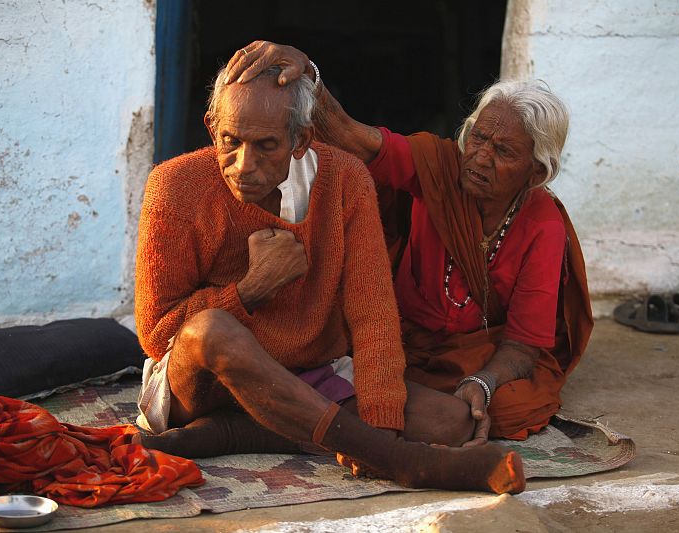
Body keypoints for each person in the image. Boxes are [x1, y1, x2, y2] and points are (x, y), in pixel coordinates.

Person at [132, 60, 526, 493]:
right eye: (231, 141)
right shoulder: (173, 185)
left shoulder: (344, 179)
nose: (244, 164)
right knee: (211, 329)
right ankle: (400, 461)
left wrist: (383, 422)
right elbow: (157, 334)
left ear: (300, 139)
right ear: (212, 128)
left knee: (450, 421)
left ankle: (232, 433)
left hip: (309, 374)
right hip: (205, 385)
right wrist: (249, 290)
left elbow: (372, 314)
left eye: (266, 145)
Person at [224, 41, 594, 443]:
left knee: (508, 409)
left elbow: (523, 346)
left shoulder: (543, 225)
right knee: (344, 361)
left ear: (536, 171)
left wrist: (483, 383)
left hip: (475, 352)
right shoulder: (436, 166)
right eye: (478, 138)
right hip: (398, 335)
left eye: (502, 151)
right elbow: (350, 135)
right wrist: (309, 73)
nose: (480, 158)